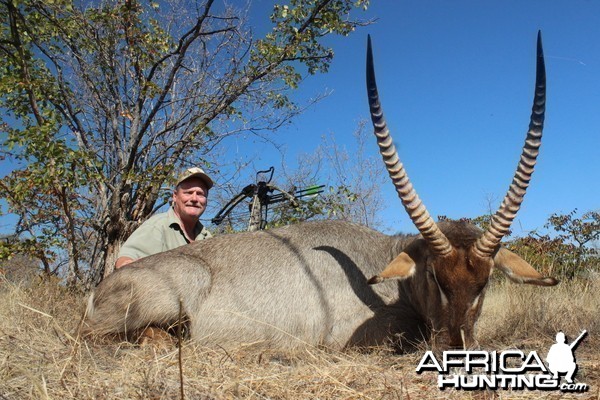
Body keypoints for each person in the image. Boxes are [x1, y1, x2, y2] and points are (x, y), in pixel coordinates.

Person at [115, 167, 213, 269]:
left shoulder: (207, 237)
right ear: (175, 196)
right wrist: (127, 265)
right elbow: (126, 260)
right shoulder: (157, 226)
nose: (194, 199)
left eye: (200, 194)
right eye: (188, 192)